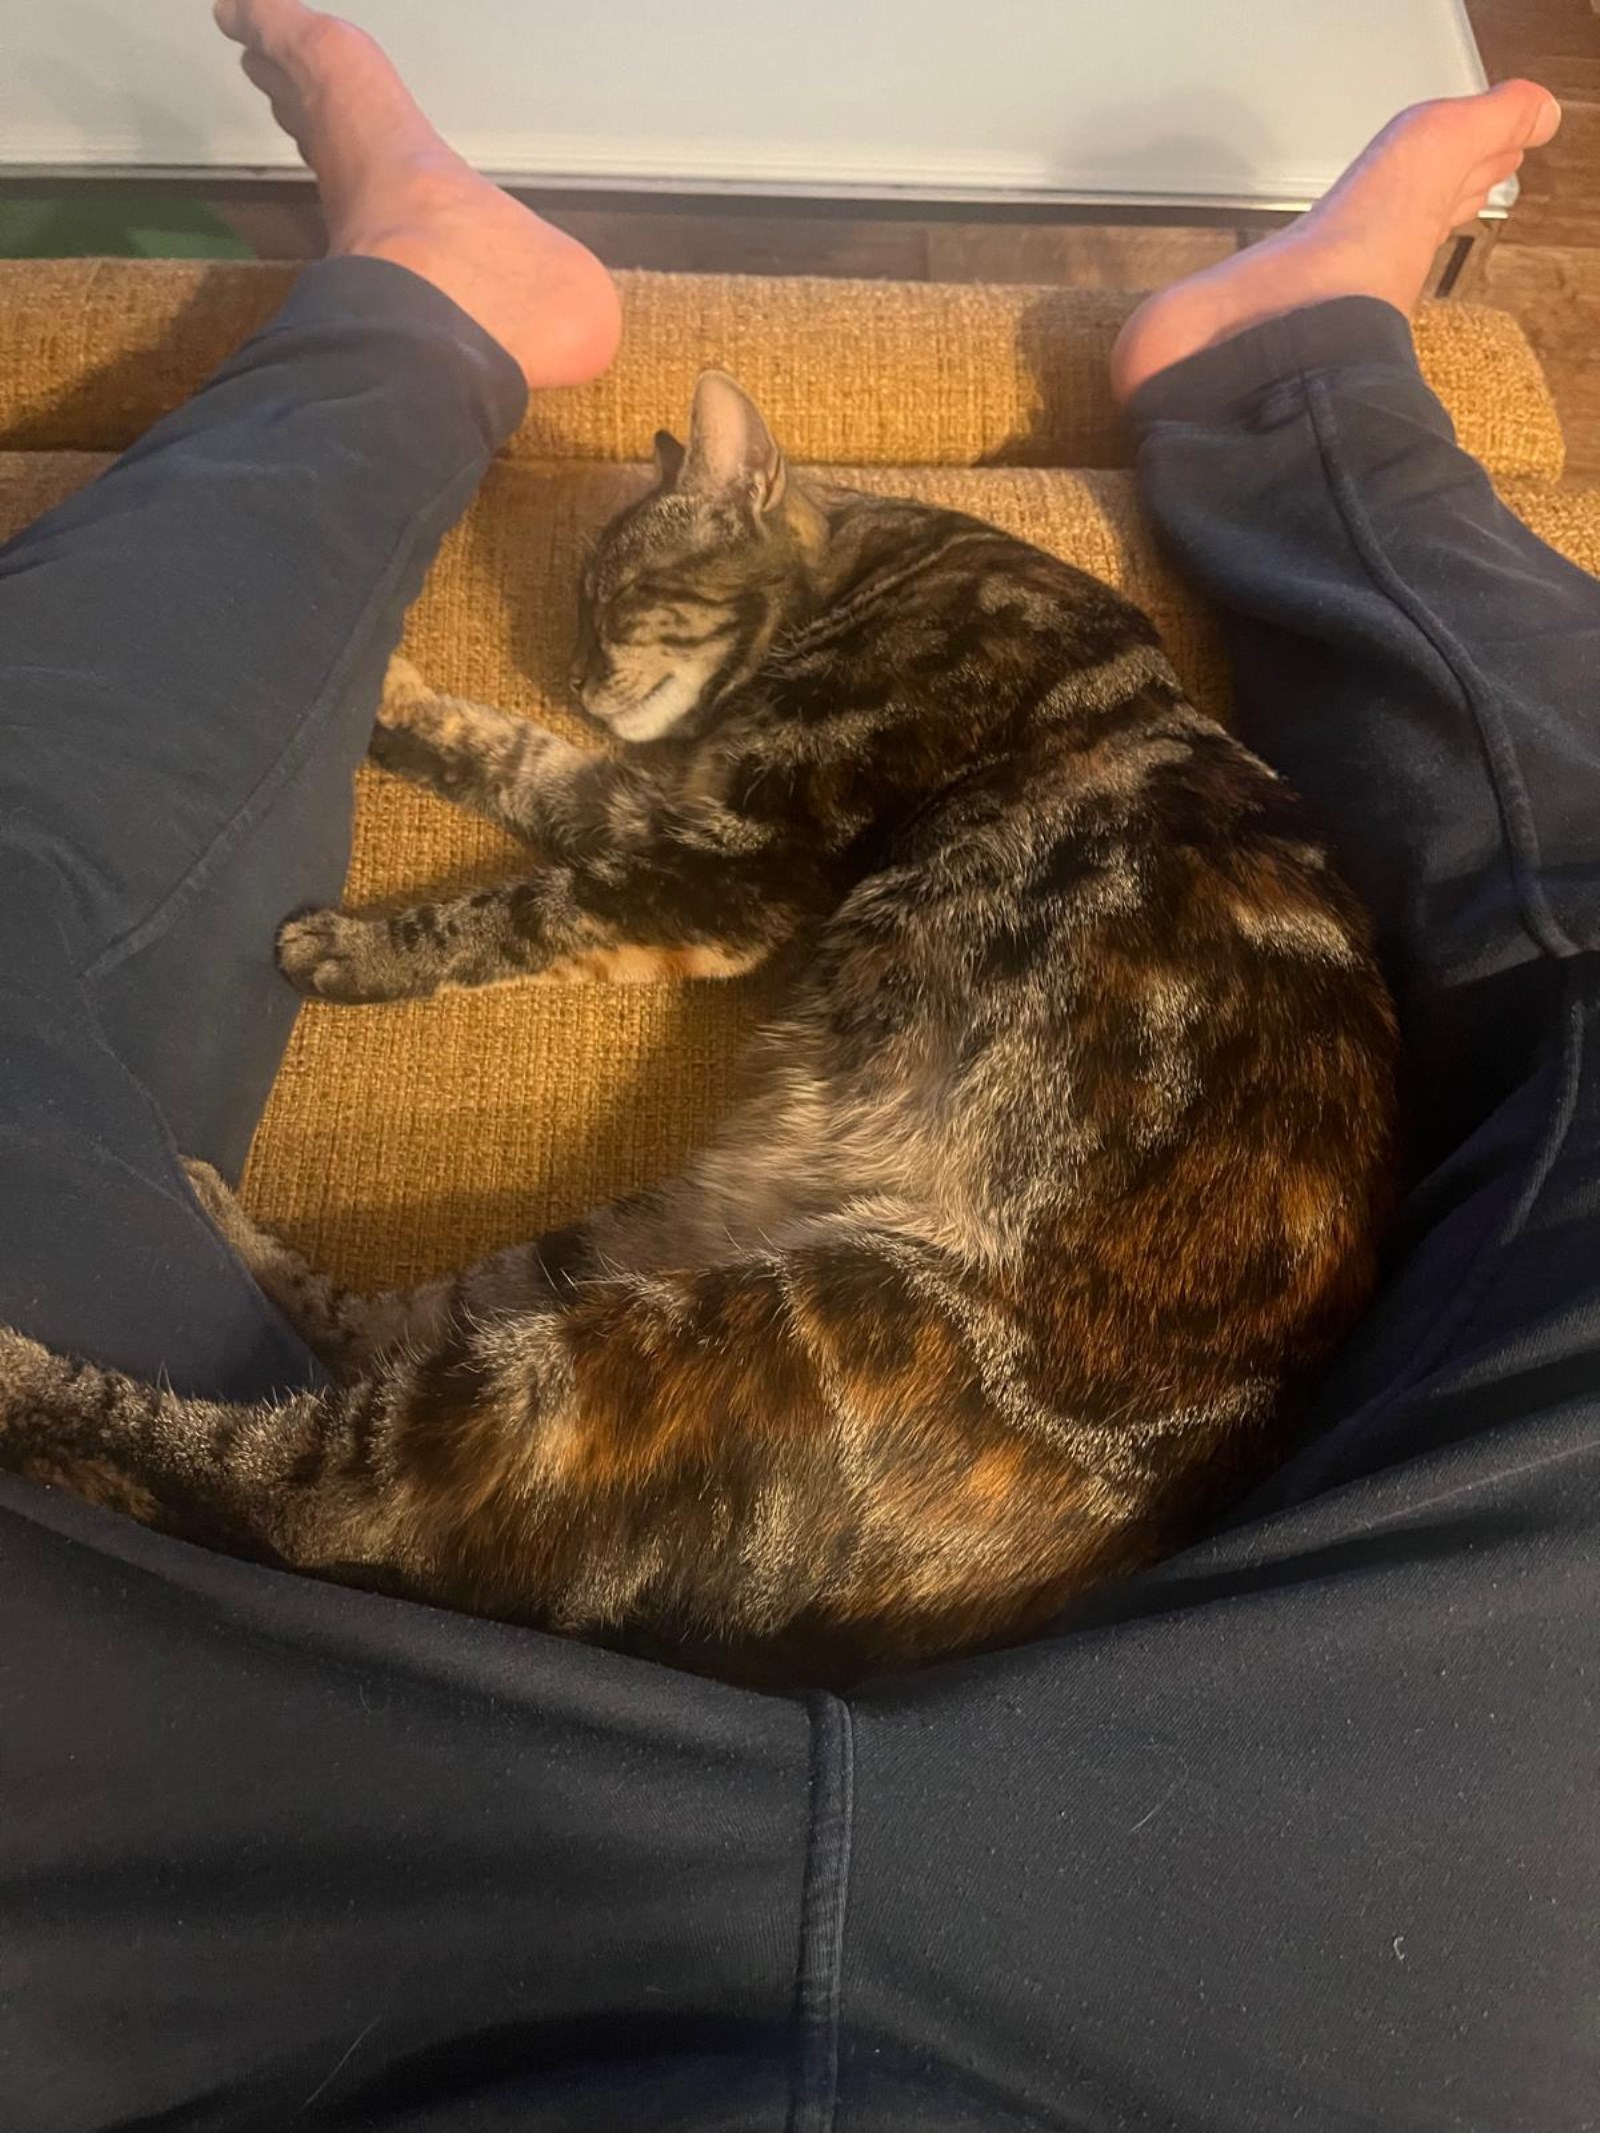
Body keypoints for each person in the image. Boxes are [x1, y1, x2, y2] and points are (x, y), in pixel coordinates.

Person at [1, 4, 1592, 2125]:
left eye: (633, 635)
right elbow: (719, 856)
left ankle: (411, 317)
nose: (613, 677)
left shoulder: (927, 611)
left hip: (379, 1830)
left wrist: (441, 880)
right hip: (1301, 1873)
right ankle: (1299, 386)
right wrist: (503, 754)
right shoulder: (917, 681)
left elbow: (709, 873)